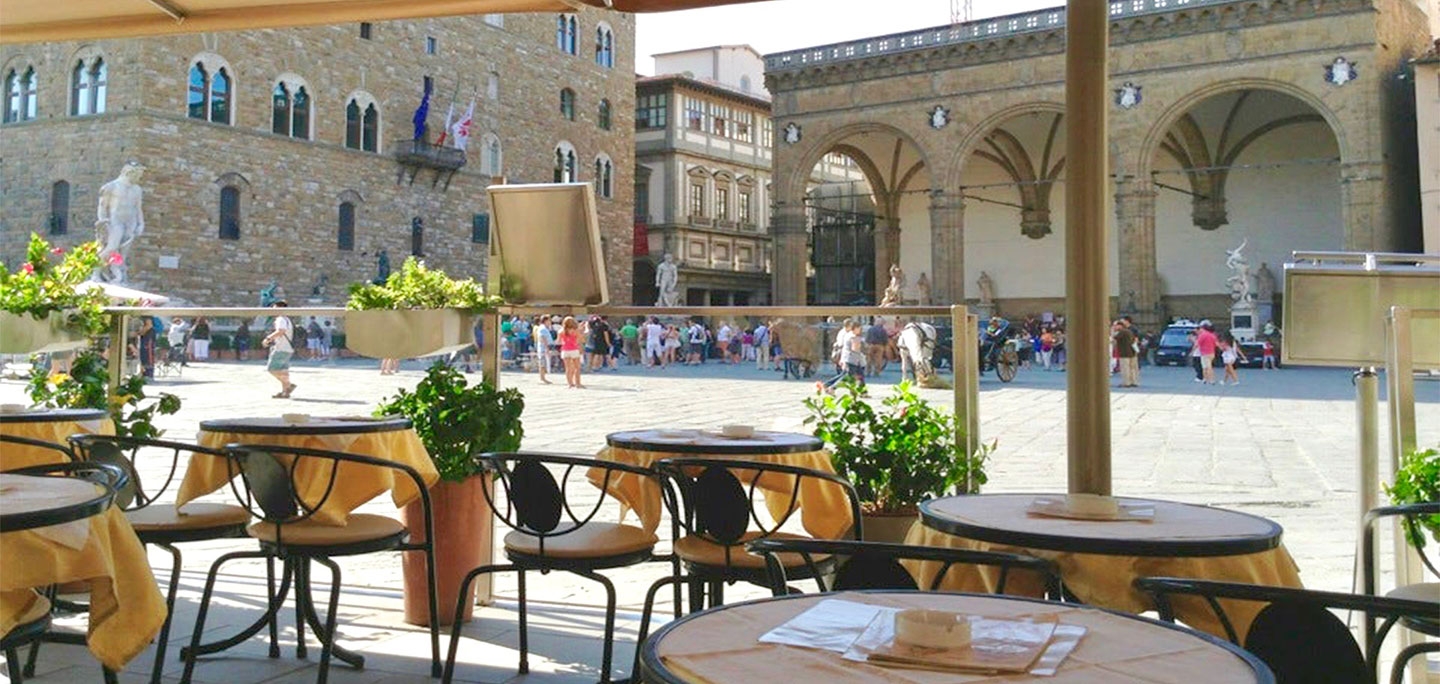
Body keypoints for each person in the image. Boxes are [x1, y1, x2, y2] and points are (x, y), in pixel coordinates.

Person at [94, 162, 146, 283]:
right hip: (115, 222)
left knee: (123, 253)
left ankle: (118, 276)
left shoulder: (137, 189)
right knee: (110, 248)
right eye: (138, 174)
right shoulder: (111, 187)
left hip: (130, 222)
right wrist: (103, 222)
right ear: (129, 173)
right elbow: (102, 206)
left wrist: (141, 224)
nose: (140, 177)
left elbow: (138, 208)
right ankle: (96, 272)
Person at [262, 301, 297, 398]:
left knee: (272, 369)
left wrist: (268, 338)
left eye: (274, 308)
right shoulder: (287, 319)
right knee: (283, 370)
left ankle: (288, 385)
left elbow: (281, 331)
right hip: (288, 348)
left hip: (281, 348)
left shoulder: (280, 319)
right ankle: (285, 392)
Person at [559, 316, 584, 388]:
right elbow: (580, 340)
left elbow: (559, 341)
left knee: (568, 368)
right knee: (577, 368)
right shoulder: (575, 331)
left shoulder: (561, 331)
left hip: (565, 350)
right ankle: (578, 384)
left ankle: (570, 384)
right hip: (574, 350)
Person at [1114, 318, 1139, 388]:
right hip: (1132, 352)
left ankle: (1126, 382)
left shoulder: (1122, 332)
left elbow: (1114, 338)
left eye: (1116, 325)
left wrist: (1113, 331)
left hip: (1124, 353)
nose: (1115, 327)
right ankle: (1134, 381)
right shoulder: (1129, 331)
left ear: (1120, 326)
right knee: (1132, 368)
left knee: (1125, 368)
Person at [534, 315, 554, 383]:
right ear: (545, 321)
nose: (550, 322)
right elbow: (542, 338)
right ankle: (542, 378)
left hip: (544, 348)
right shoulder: (543, 328)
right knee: (542, 364)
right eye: (549, 320)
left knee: (543, 363)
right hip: (543, 348)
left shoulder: (544, 328)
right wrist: (547, 348)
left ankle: (543, 378)